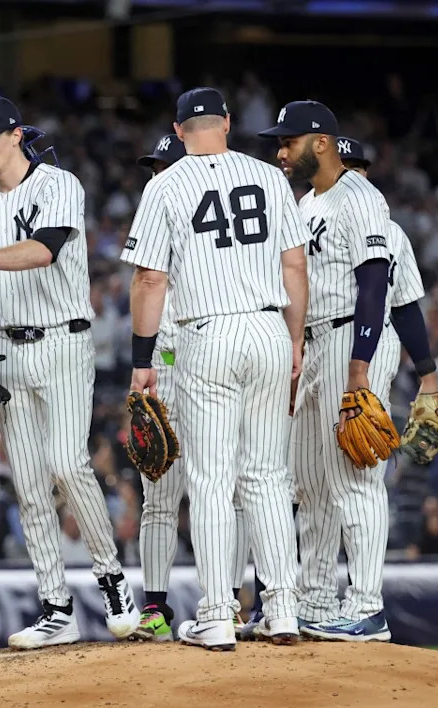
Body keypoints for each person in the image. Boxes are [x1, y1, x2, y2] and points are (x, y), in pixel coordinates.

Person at [0, 95, 140, 649]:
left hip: (64, 342)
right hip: (10, 349)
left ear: (16, 135)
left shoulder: (59, 184)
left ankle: (112, 581)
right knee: (27, 483)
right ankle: (55, 607)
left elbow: (42, 250)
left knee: (68, 464)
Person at [125, 88, 308, 650]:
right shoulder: (270, 177)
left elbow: (150, 279)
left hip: (208, 332)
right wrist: (295, 340)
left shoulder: (165, 185)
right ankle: (283, 610)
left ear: (178, 130)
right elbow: (295, 266)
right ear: (227, 122)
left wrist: (141, 360)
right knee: (267, 477)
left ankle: (217, 614)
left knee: (210, 480)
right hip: (269, 327)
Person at [258, 102, 399, 641]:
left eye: (288, 142)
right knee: (311, 484)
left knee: (354, 480)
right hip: (313, 342)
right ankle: (315, 599)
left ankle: (367, 606)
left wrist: (360, 367)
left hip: (348, 338)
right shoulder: (306, 202)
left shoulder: (360, 197)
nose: (281, 151)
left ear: (321, 142)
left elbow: (374, 283)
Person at [127, 134, 251, 642]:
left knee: (225, 492)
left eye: (165, 168)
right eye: (154, 169)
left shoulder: (217, 244)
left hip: (210, 367)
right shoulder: (153, 234)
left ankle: (229, 603)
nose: (157, 177)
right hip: (164, 371)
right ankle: (155, 607)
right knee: (158, 498)